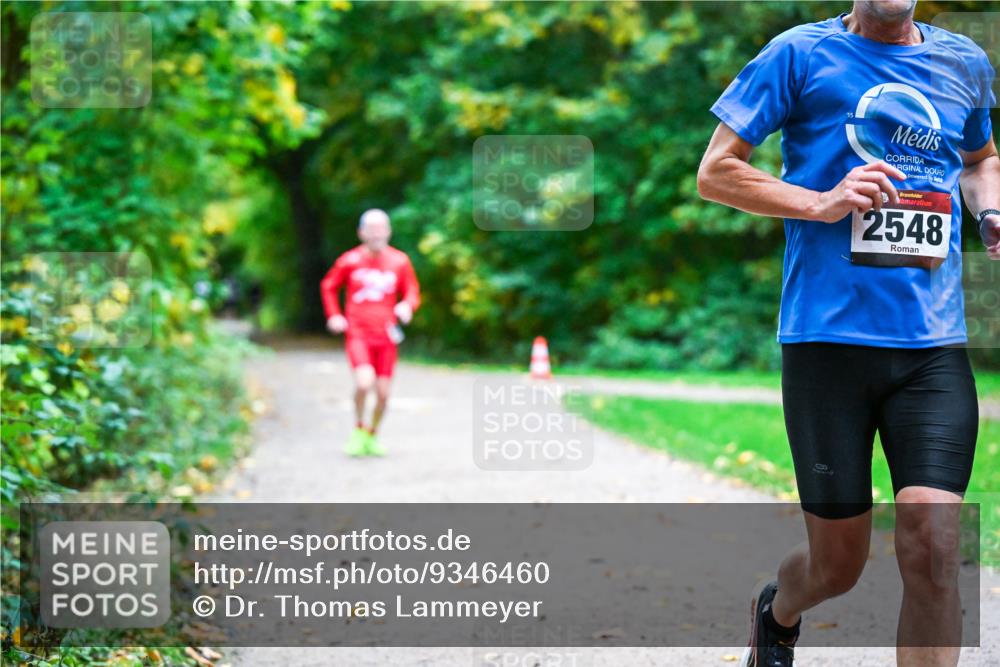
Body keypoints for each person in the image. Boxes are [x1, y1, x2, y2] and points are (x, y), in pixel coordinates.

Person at [697, 1, 998, 666]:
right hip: (825, 344)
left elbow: (981, 161)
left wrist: (991, 209)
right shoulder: (799, 55)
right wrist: (820, 201)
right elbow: (716, 171)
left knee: (934, 544)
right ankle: (777, 610)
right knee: (838, 565)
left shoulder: (963, 63)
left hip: (931, 346)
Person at [320, 208, 421, 457]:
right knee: (364, 383)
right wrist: (334, 315)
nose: (377, 234)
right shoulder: (349, 261)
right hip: (358, 333)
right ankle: (358, 428)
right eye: (371, 229)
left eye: (381, 228)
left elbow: (412, 291)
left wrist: (407, 306)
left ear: (388, 231)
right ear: (361, 232)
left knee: (384, 394)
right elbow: (328, 286)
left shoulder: (400, 261)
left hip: (386, 336)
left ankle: (372, 435)